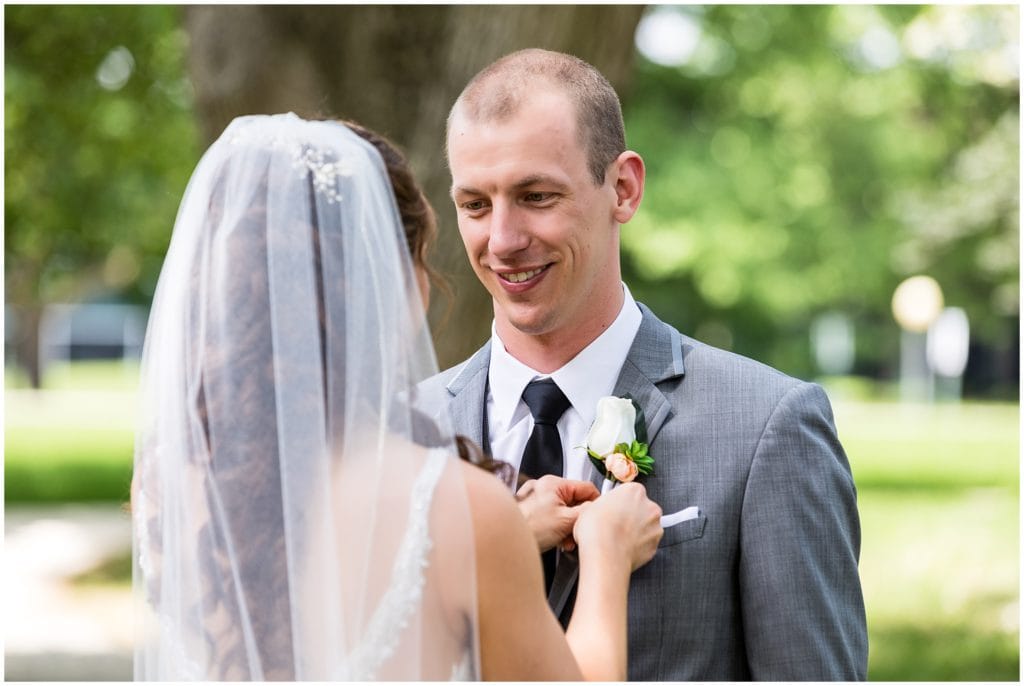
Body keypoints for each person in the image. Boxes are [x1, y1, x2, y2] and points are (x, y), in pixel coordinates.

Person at [131, 112, 662, 681]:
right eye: (423, 258)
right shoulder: (461, 508)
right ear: (391, 279)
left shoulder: (171, 485)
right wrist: (607, 557)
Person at [428, 48, 868, 680]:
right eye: (474, 204)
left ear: (624, 189)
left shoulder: (768, 426)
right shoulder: (402, 431)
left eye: (536, 195)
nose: (501, 240)